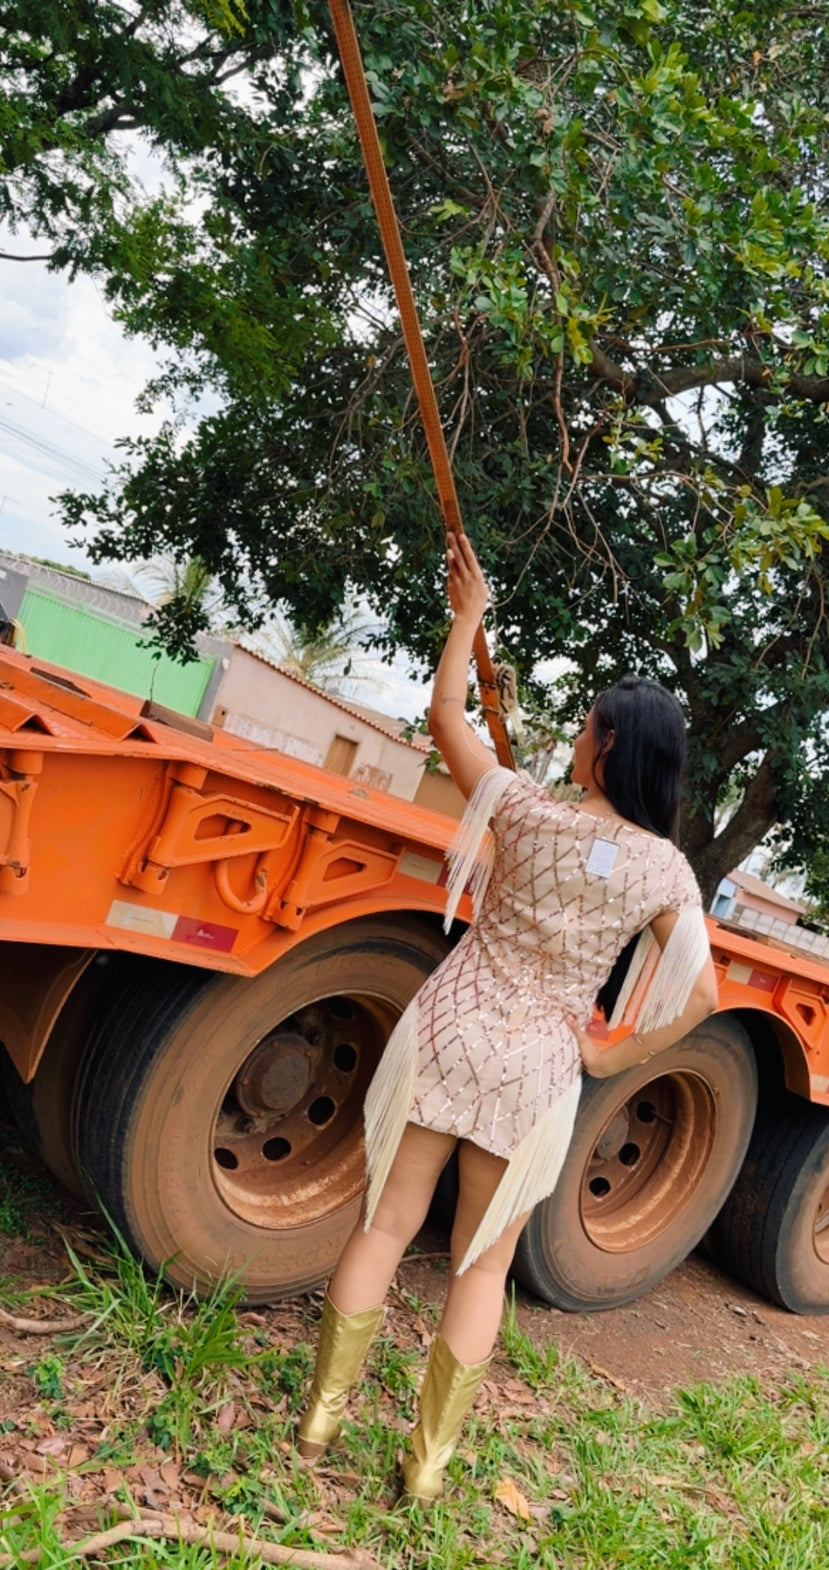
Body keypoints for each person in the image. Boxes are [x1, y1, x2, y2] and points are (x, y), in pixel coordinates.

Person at [296, 532, 719, 1501]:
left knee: (384, 1225)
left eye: (584, 723)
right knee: (481, 1267)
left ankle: (320, 1419)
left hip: (450, 1023)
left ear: (608, 744)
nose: (573, 733)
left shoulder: (521, 808)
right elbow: (699, 994)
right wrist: (611, 1049)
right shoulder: (665, 870)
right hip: (538, 1060)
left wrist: (467, 616)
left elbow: (446, 708)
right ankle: (426, 1466)